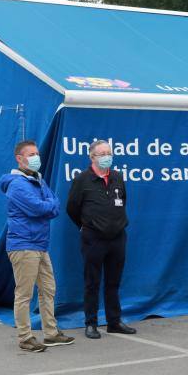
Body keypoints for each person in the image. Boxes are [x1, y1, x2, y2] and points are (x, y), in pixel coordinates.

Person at [0, 140, 74, 353]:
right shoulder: (17, 185)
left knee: (48, 289)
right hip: (23, 246)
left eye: (36, 153)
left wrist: (48, 206)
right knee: (24, 293)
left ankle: (50, 334)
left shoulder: (37, 180)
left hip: (40, 245)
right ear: (19, 158)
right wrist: (49, 206)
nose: (36, 157)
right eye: (31, 154)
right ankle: (25, 337)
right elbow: (39, 208)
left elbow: (54, 203)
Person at [66, 140, 136, 339]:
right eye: (102, 153)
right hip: (93, 239)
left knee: (113, 282)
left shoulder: (117, 177)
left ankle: (114, 322)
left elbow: (123, 202)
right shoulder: (82, 179)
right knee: (92, 283)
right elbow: (72, 208)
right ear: (92, 157)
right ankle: (91, 323)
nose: (107, 157)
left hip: (117, 238)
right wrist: (87, 225)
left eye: (109, 152)